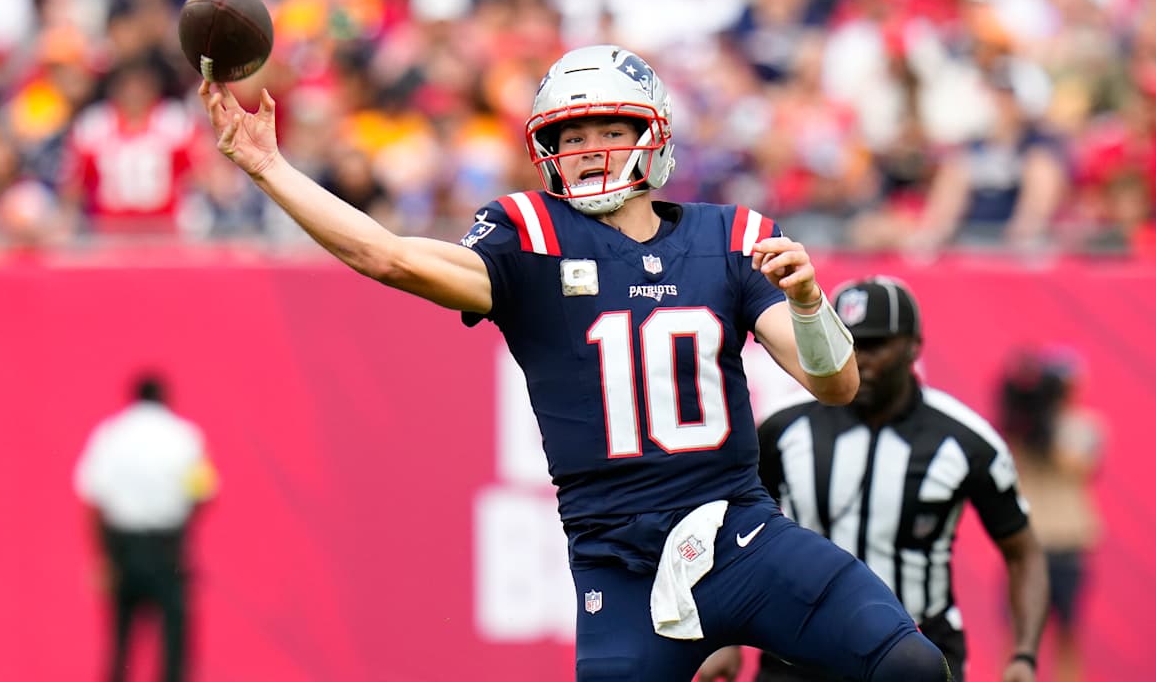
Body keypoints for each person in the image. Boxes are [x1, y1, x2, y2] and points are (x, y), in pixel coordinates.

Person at [199, 44, 950, 681]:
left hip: (742, 535)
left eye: (610, 129)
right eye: (572, 133)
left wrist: (811, 303)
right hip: (618, 562)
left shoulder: (731, 236)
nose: (590, 148)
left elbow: (836, 383)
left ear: (652, 136)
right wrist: (268, 167)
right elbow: (389, 256)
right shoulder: (527, 234)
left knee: (910, 667)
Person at [699, 278, 1048, 682]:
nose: (857, 359)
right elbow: (734, 528)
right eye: (847, 342)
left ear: (913, 346)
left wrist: (1024, 655)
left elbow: (1022, 552)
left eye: (874, 345)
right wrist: (722, 637)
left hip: (918, 649)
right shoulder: (783, 427)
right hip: (799, 651)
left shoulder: (964, 439)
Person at [73, 372, 218, 682]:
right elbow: (204, 493)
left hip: (122, 545)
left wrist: (102, 558)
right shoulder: (183, 437)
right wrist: (182, 530)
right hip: (167, 546)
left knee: (120, 637)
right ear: (165, 398)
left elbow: (93, 500)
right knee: (174, 635)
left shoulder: (111, 435)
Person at [997, 347, 1104, 682]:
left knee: (1068, 634)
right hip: (1029, 543)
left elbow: (1078, 464)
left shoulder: (1085, 426)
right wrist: (1026, 417)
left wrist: (1043, 432)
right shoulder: (1023, 424)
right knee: (1019, 636)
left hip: (1068, 545)